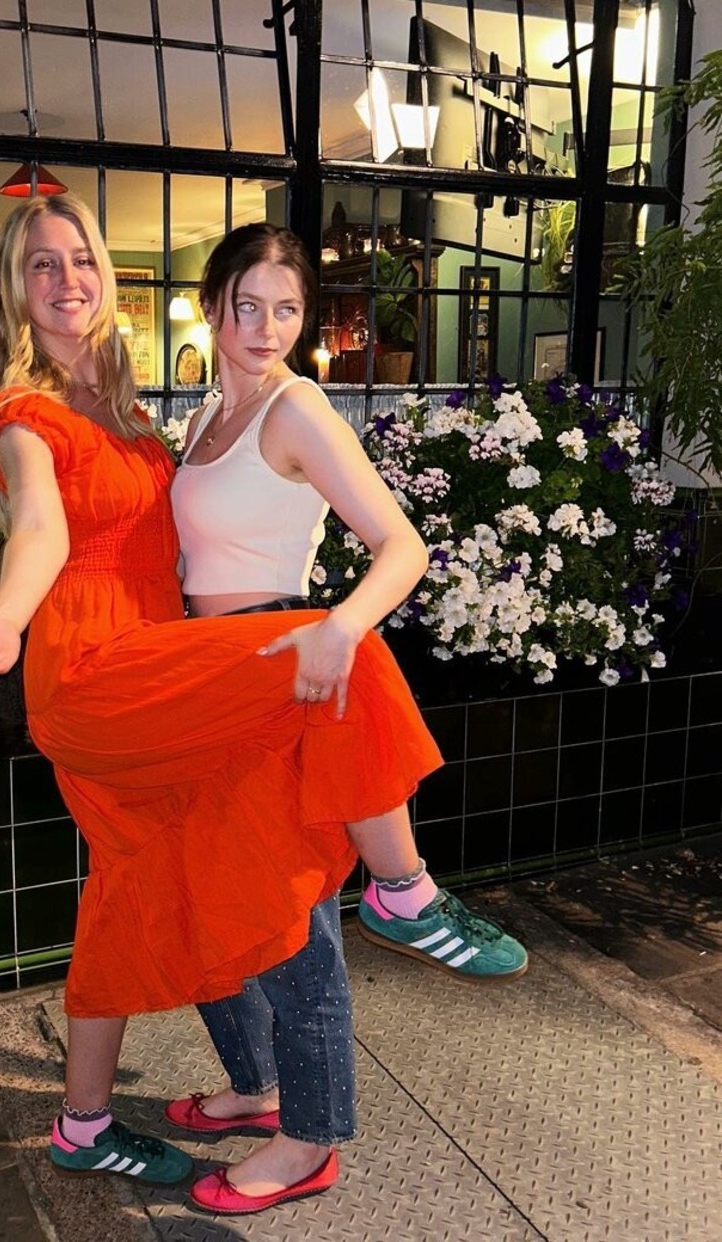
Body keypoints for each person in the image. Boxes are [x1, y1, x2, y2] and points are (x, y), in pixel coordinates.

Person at [0, 193, 440, 1201]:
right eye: (41, 264)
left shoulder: (136, 412)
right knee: (341, 675)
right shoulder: (24, 415)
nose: (67, 279)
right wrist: (5, 617)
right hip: (105, 673)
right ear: (12, 292)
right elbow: (42, 530)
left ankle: (105, 1118)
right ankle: (403, 889)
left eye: (81, 257)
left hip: (170, 668)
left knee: (160, 881)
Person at [164, 223, 528, 1214]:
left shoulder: (297, 408)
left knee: (291, 923)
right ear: (213, 305)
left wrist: (340, 628)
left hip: (279, 677)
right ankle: (255, 1086)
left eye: (287, 310)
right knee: (208, 900)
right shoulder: (206, 416)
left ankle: (309, 1140)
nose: (266, 327)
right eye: (248, 305)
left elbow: (401, 546)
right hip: (212, 683)